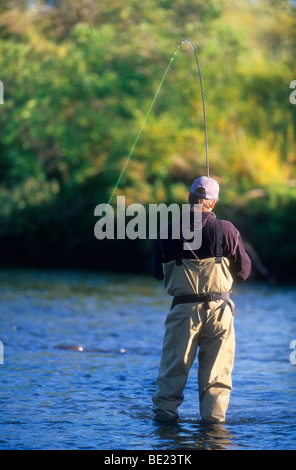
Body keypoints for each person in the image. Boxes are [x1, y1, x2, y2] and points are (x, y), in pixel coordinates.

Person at [152, 176, 252, 423]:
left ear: (189, 199)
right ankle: (213, 426)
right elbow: (244, 272)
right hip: (220, 312)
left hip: (183, 311)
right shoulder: (227, 230)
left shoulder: (169, 230)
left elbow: (156, 272)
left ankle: (165, 424)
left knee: (173, 370)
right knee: (217, 375)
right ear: (214, 201)